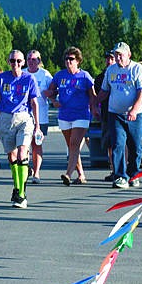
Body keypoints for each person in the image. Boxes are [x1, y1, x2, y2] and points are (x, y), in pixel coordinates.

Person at [97, 42, 142, 189]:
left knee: (135, 146)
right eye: (116, 54)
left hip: (135, 115)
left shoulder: (137, 69)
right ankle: (120, 176)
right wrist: (94, 103)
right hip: (115, 114)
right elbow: (105, 90)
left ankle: (133, 174)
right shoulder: (111, 70)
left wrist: (134, 110)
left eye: (121, 54)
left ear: (128, 55)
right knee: (117, 144)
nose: (118, 57)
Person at [0, 50, 40, 209]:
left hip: (24, 118)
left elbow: (34, 103)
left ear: (23, 62)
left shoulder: (29, 78)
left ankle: (21, 193)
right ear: (9, 62)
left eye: (19, 61)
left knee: (22, 152)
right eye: (13, 61)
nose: (16, 64)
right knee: (12, 156)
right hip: (6, 118)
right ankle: (17, 186)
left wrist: (37, 126)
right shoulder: (2, 78)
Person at [45, 47, 95, 185]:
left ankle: (68, 174)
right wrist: (53, 101)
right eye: (66, 59)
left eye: (71, 59)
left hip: (81, 115)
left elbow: (92, 95)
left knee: (74, 143)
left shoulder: (84, 76)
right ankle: (81, 175)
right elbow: (50, 91)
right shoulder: (59, 75)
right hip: (64, 115)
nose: (68, 61)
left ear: (78, 61)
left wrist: (95, 109)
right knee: (72, 146)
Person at [25, 50, 53, 183]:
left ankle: (36, 173)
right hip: (24, 116)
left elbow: (55, 89)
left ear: (39, 61)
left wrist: (50, 93)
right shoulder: (22, 73)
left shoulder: (45, 74)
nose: (31, 62)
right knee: (24, 146)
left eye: (34, 59)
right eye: (29, 59)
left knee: (36, 145)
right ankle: (26, 168)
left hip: (41, 116)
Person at [93, 51, 117, 180]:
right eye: (107, 59)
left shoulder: (122, 75)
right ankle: (114, 170)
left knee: (121, 143)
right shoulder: (100, 77)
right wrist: (95, 107)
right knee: (109, 143)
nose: (109, 61)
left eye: (112, 58)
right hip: (106, 114)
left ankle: (123, 169)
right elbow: (97, 96)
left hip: (121, 113)